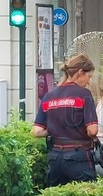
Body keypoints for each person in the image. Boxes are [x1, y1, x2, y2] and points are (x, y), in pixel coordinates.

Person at [32, 54, 99, 187]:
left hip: (55, 157)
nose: (89, 82)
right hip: (79, 157)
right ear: (80, 72)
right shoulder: (84, 94)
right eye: (89, 76)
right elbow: (92, 130)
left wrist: (54, 129)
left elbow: (37, 131)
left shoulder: (49, 96)